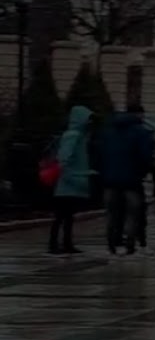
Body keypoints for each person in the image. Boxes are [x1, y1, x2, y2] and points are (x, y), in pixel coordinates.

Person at [99, 104, 155, 256]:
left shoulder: (108, 131)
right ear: (139, 115)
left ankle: (111, 244)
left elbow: (100, 154)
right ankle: (130, 244)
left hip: (110, 179)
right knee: (133, 213)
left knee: (112, 214)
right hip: (132, 180)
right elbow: (145, 157)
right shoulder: (141, 132)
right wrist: (142, 172)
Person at [48, 105, 95, 255]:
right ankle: (54, 245)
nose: (89, 122)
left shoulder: (78, 135)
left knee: (67, 216)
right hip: (67, 183)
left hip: (70, 182)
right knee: (61, 216)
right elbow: (64, 158)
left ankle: (66, 243)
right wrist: (73, 175)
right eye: (87, 118)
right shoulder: (73, 135)